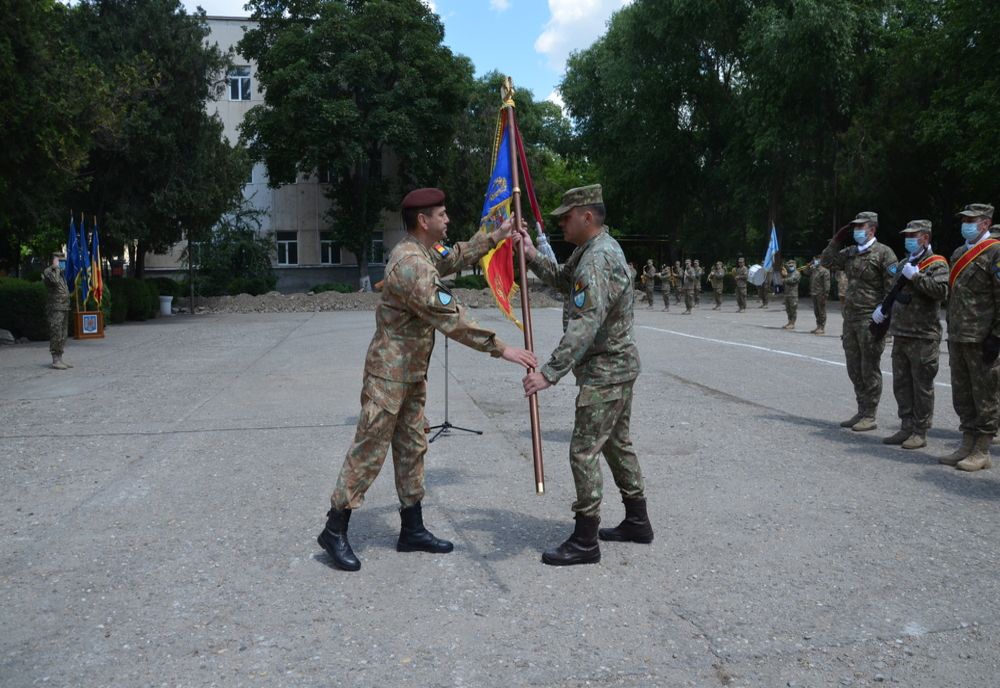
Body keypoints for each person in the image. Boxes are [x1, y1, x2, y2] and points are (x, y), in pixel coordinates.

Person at [317, 188, 537, 572]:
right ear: (423, 220)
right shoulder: (411, 265)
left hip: (411, 375)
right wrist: (502, 348)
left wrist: (497, 235)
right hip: (389, 377)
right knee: (369, 451)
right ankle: (334, 529)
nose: (447, 220)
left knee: (412, 448)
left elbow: (453, 257)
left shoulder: (423, 253)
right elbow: (450, 316)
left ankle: (412, 529)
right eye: (442, 214)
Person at [515, 184, 651, 567]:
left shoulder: (597, 259)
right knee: (616, 444)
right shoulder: (593, 250)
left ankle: (586, 538)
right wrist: (531, 255)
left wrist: (549, 372)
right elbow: (563, 280)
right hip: (616, 367)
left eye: (567, 217)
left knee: (583, 450)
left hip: (606, 370)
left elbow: (586, 322)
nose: (561, 223)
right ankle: (637, 521)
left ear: (587, 216)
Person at [820, 211, 898, 431]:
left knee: (869, 367)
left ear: (872, 229)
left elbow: (892, 288)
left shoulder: (884, 253)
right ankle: (862, 409)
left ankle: (870, 414)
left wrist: (884, 316)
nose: (856, 231)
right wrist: (836, 240)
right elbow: (826, 261)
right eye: (854, 227)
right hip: (851, 319)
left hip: (870, 319)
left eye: (860, 227)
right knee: (853, 367)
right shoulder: (851, 252)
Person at [874, 220, 948, 450]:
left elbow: (942, 292)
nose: (908, 239)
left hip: (923, 336)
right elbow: (894, 291)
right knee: (901, 384)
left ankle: (920, 431)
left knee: (921, 386)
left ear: (925, 238)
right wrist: (882, 309)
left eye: (913, 235)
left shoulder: (937, 263)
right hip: (901, 333)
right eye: (907, 236)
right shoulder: (904, 263)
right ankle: (906, 426)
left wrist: (917, 277)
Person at [939, 204, 1000, 471]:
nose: (966, 224)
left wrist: (996, 336)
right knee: (962, 394)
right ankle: (966, 443)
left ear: (985, 223)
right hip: (958, 335)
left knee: (985, 394)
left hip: (982, 337)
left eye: (971, 220)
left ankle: (982, 450)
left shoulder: (995, 252)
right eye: (964, 220)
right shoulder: (958, 253)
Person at [42, 252, 72, 370]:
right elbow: (54, 281)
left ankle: (60, 357)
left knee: (63, 334)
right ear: (54, 261)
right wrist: (56, 268)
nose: (63, 263)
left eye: (64, 261)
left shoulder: (61, 274)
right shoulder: (49, 272)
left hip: (64, 307)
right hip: (55, 308)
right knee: (56, 332)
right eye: (61, 261)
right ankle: (55, 359)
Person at [802, 255, 830, 334]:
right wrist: (809, 264)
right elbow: (805, 272)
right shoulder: (813, 269)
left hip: (821, 294)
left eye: (817, 259)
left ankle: (822, 327)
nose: (816, 261)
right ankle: (818, 326)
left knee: (821, 311)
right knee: (816, 311)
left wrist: (825, 295)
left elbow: (827, 285)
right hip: (814, 293)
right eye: (815, 259)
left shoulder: (824, 271)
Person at [780, 260, 800, 330]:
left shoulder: (796, 273)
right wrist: (783, 275)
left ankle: (792, 323)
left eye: (792, 265)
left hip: (793, 294)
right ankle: (789, 322)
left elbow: (792, 280)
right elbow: (783, 280)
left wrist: (784, 279)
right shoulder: (788, 273)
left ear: (795, 265)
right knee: (788, 309)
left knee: (793, 309)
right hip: (787, 294)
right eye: (789, 265)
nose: (790, 266)